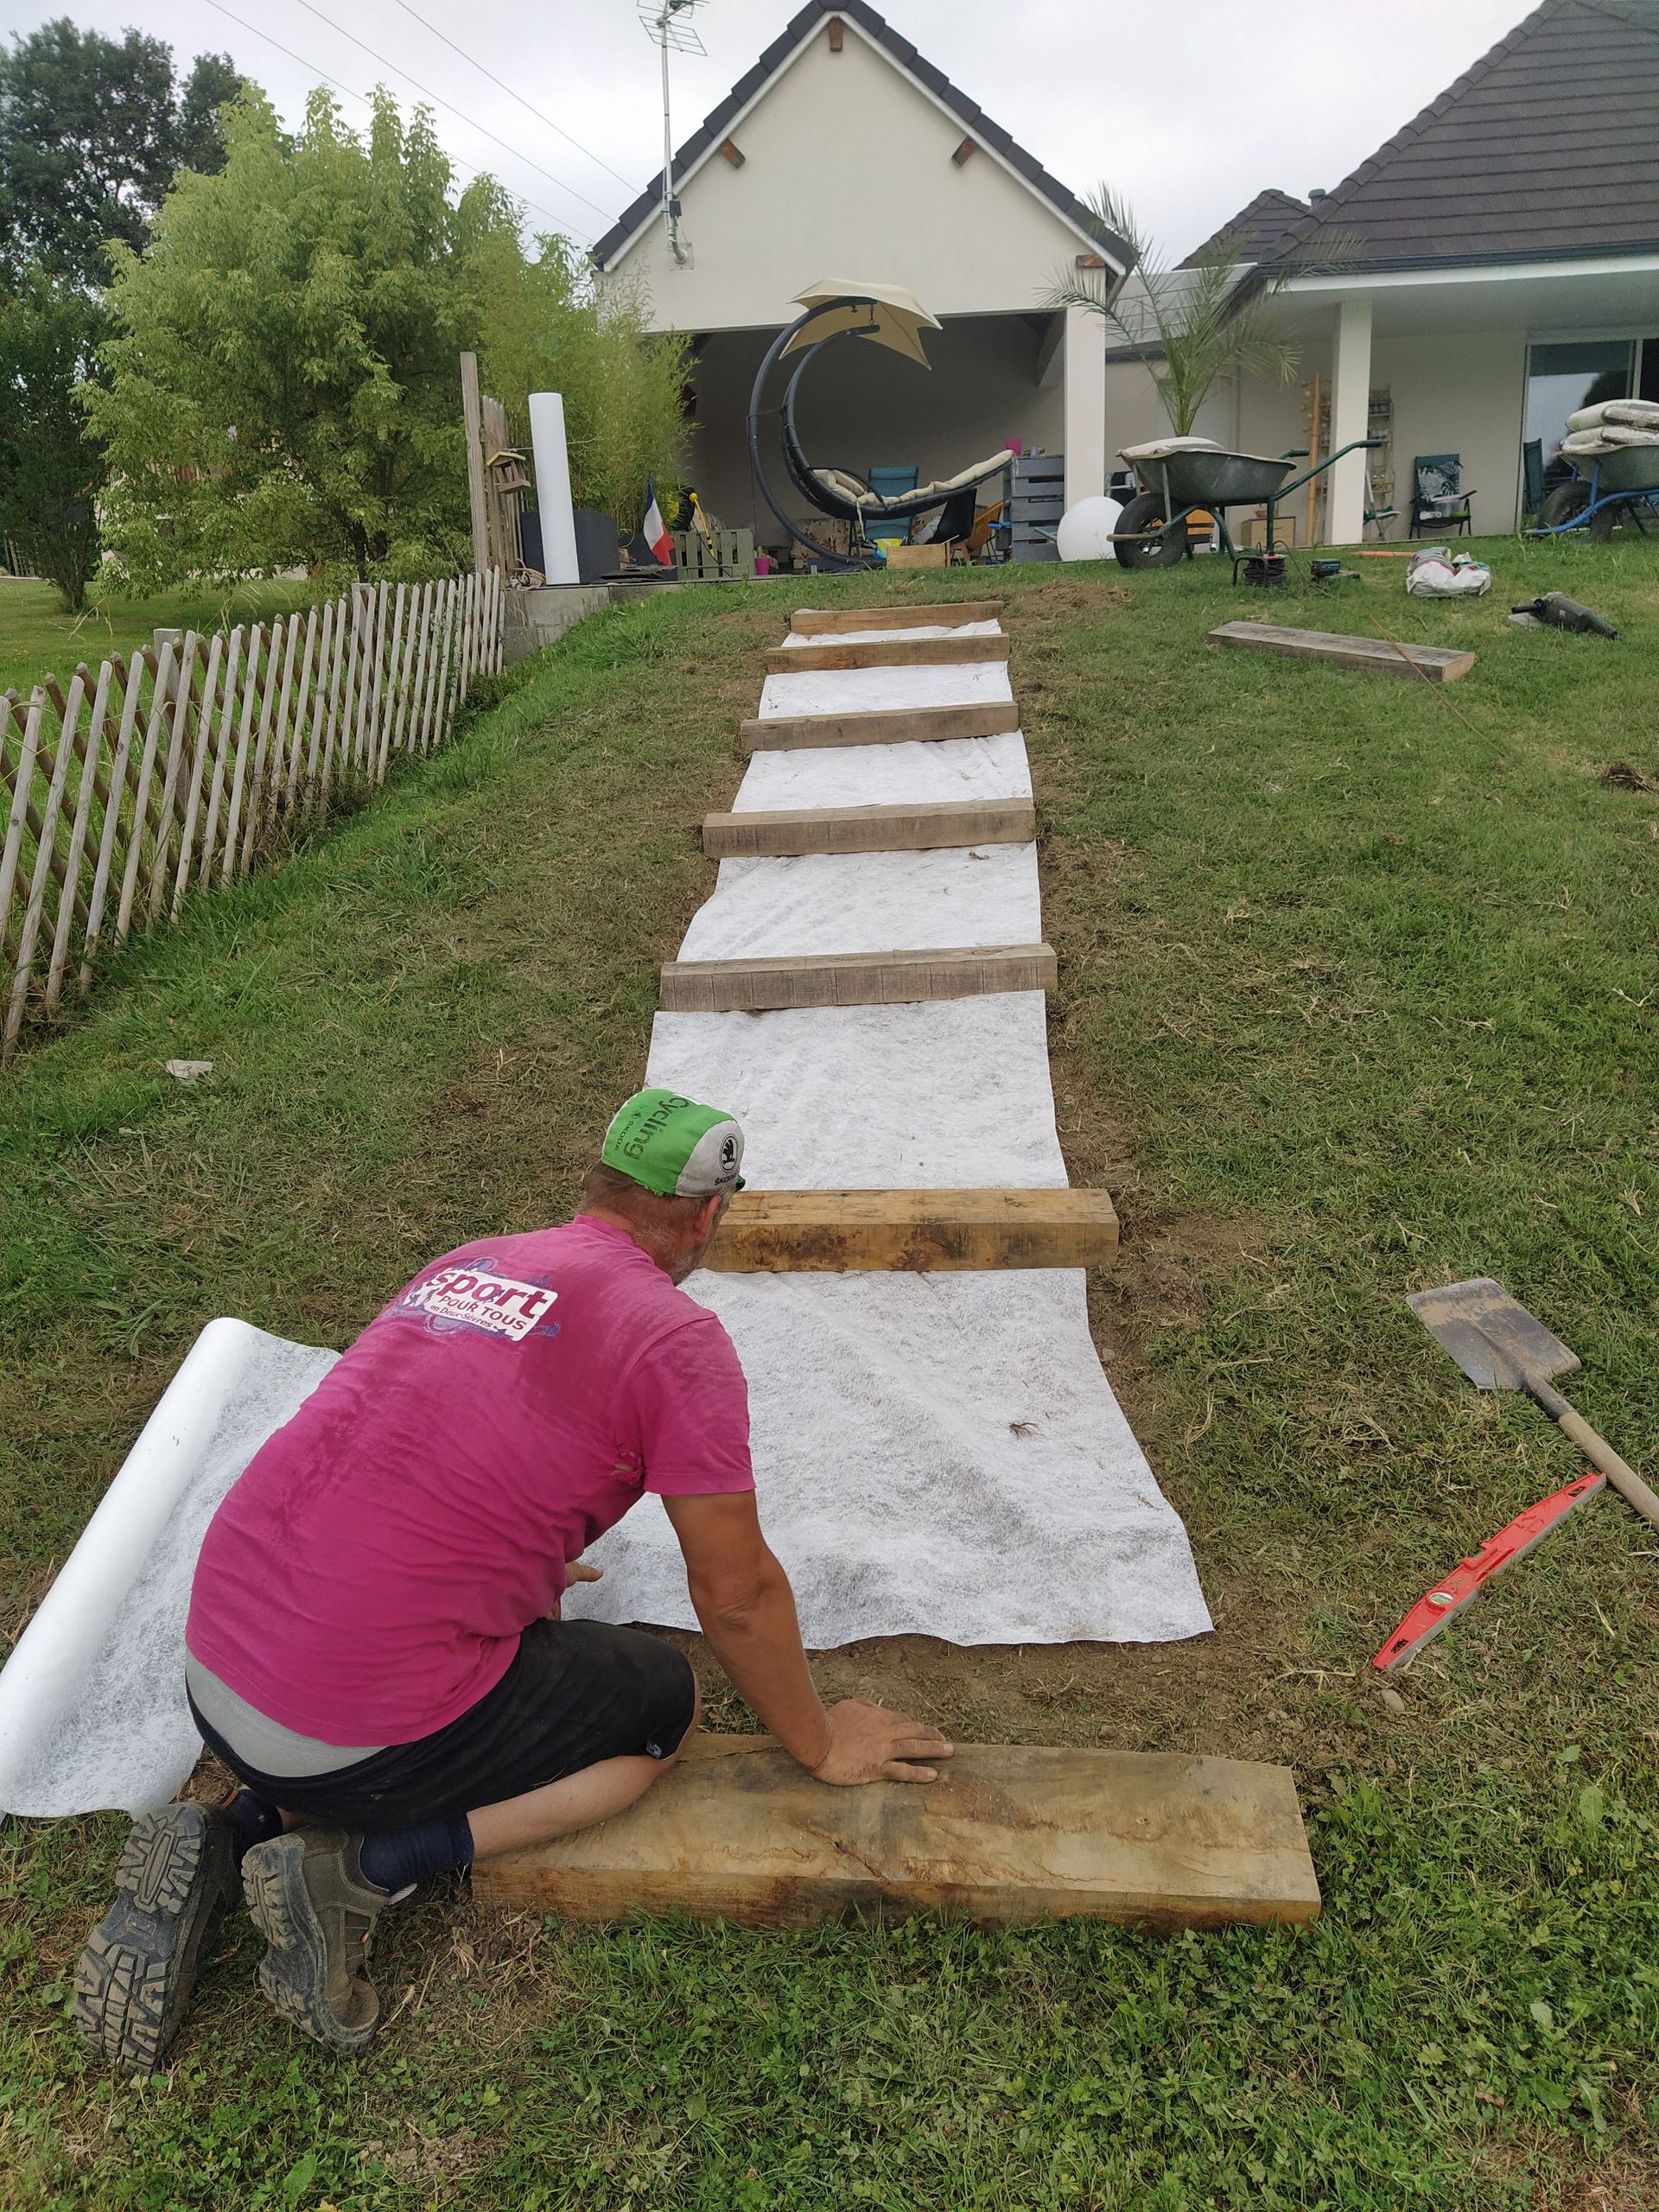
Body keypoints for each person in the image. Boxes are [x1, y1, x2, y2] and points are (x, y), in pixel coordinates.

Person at [74, 1088, 952, 2075]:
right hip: (345, 1729)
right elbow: (736, 1592)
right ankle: (364, 1869)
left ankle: (237, 1825)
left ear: (600, 1182)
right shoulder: (676, 1339)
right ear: (709, 1213)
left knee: (376, 1691)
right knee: (659, 1710)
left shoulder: (473, 1262)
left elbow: (412, 1443)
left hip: (216, 1670)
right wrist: (821, 1741)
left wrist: (513, 1558)